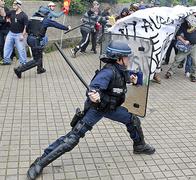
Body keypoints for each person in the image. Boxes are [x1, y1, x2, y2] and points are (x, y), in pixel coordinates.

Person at [26, 40, 155, 180]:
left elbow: (131, 78)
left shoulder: (121, 70)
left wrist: (135, 79)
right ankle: (39, 163)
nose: (129, 59)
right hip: (97, 109)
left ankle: (139, 145)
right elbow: (95, 86)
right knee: (72, 139)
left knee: (133, 120)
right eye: (126, 57)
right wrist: (94, 93)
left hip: (112, 108)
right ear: (119, 59)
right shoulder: (107, 72)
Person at [13, 6, 71, 78]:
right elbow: (56, 24)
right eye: (47, 14)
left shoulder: (31, 18)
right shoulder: (45, 20)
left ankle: (40, 69)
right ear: (45, 13)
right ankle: (19, 69)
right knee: (36, 60)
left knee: (39, 53)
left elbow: (27, 29)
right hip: (36, 40)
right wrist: (67, 28)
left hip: (30, 39)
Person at [0, 0, 28, 65]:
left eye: (15, 5)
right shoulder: (12, 12)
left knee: (21, 49)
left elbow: (25, 27)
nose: (13, 6)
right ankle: (6, 60)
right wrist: (1, 7)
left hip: (19, 34)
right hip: (11, 33)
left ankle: (23, 62)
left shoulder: (24, 15)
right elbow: (3, 14)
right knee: (7, 47)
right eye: (13, 5)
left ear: (19, 5)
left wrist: (22, 35)